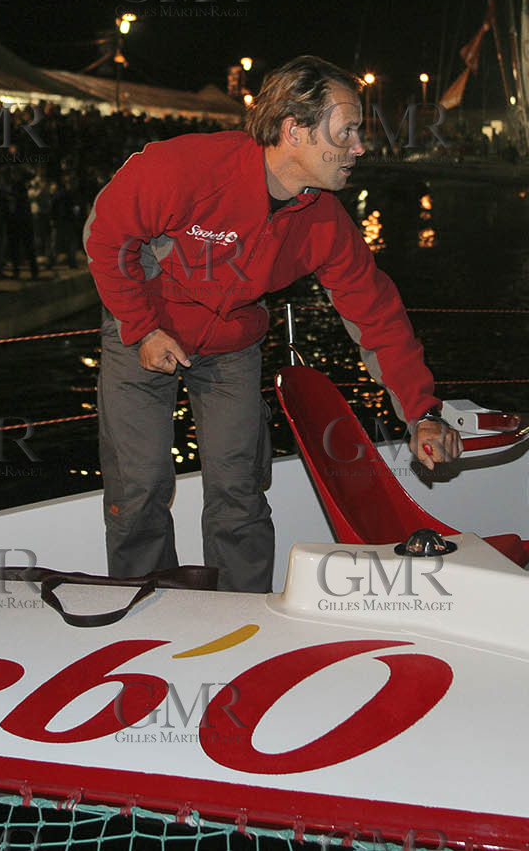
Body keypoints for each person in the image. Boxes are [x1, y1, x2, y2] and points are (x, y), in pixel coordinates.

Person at [83, 55, 462, 593]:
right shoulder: (188, 168)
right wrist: (142, 327)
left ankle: (241, 612)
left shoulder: (324, 220)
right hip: (141, 329)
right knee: (139, 487)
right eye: (347, 131)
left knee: (238, 490)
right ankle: (146, 607)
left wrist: (421, 411)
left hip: (232, 345)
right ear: (294, 130)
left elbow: (376, 314)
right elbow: (105, 236)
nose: (360, 147)